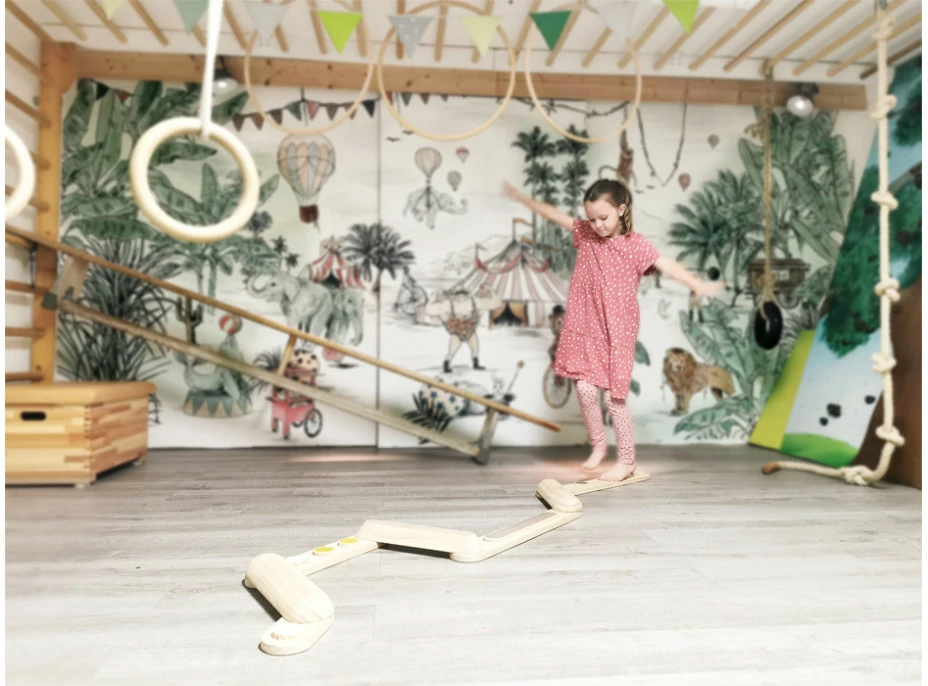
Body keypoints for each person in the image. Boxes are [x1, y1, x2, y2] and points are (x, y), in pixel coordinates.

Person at [503, 179, 724, 481]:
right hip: (587, 323)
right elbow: (554, 215)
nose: (597, 225)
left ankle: (626, 461)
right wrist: (522, 198)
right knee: (584, 388)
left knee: (614, 398)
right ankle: (598, 445)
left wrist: (696, 284)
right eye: (591, 219)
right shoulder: (586, 234)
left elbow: (666, 264)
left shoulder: (635, 245)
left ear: (621, 210)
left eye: (603, 218)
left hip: (618, 329)